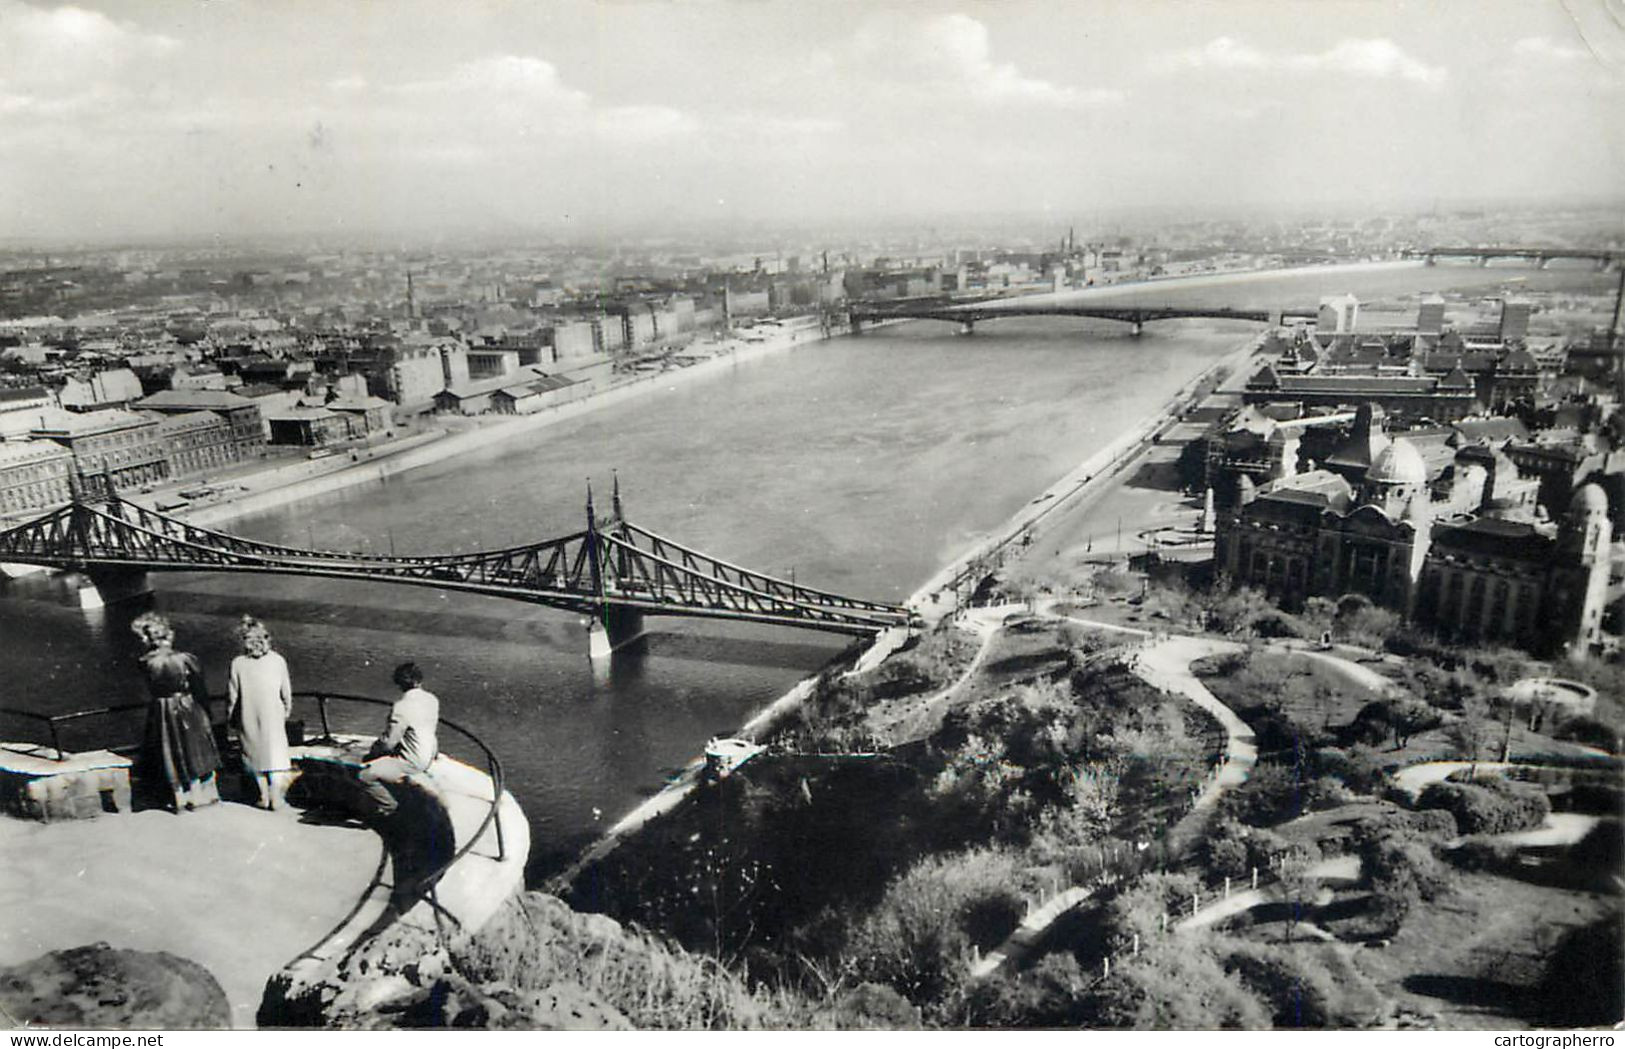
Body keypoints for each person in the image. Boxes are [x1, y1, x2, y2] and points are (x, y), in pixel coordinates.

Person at [132, 612, 220, 812]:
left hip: (161, 709)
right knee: (193, 749)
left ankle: (179, 797)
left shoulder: (145, 661)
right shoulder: (185, 658)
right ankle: (197, 797)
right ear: (168, 635)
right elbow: (199, 687)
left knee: (169, 751)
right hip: (186, 705)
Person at [226, 615, 294, 810]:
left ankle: (263, 795)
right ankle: (276, 796)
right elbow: (286, 691)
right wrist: (287, 709)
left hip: (249, 712)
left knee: (254, 753)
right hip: (273, 712)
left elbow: (233, 695)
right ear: (266, 639)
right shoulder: (278, 660)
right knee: (275, 753)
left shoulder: (237, 663)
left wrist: (231, 717)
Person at [357, 661, 440, 822]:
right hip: (428, 755)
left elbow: (388, 743)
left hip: (412, 761)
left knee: (364, 776)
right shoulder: (432, 700)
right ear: (419, 680)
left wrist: (371, 755)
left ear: (399, 684)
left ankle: (390, 807)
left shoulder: (401, 707)